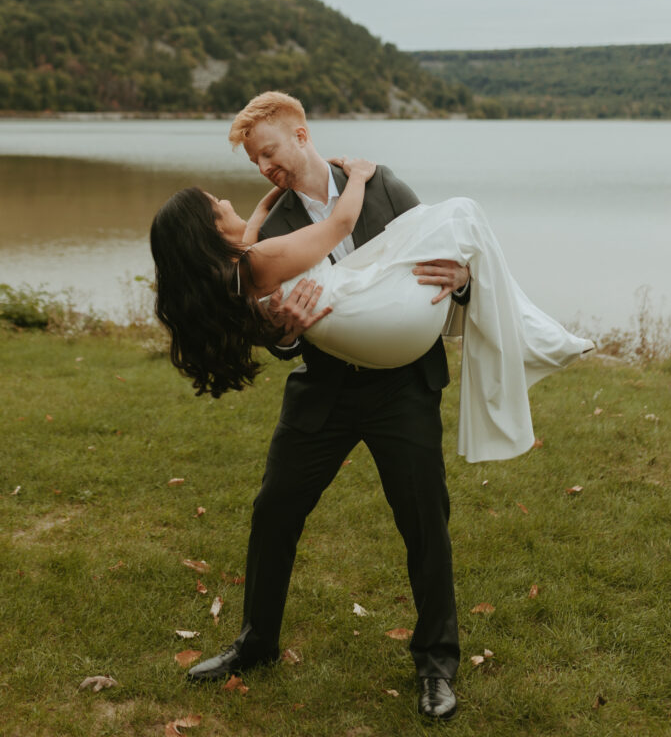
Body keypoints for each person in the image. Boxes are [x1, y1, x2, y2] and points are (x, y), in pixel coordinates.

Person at [149, 92, 590, 721]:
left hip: (402, 389)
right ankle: (256, 643)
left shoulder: (384, 188)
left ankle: (437, 664)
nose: (264, 169)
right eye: (254, 161)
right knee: (275, 511)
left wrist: (461, 281)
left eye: (269, 152)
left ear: (299, 135)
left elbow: (452, 257)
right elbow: (268, 328)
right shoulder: (265, 229)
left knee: (424, 522)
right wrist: (286, 332)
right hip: (323, 389)